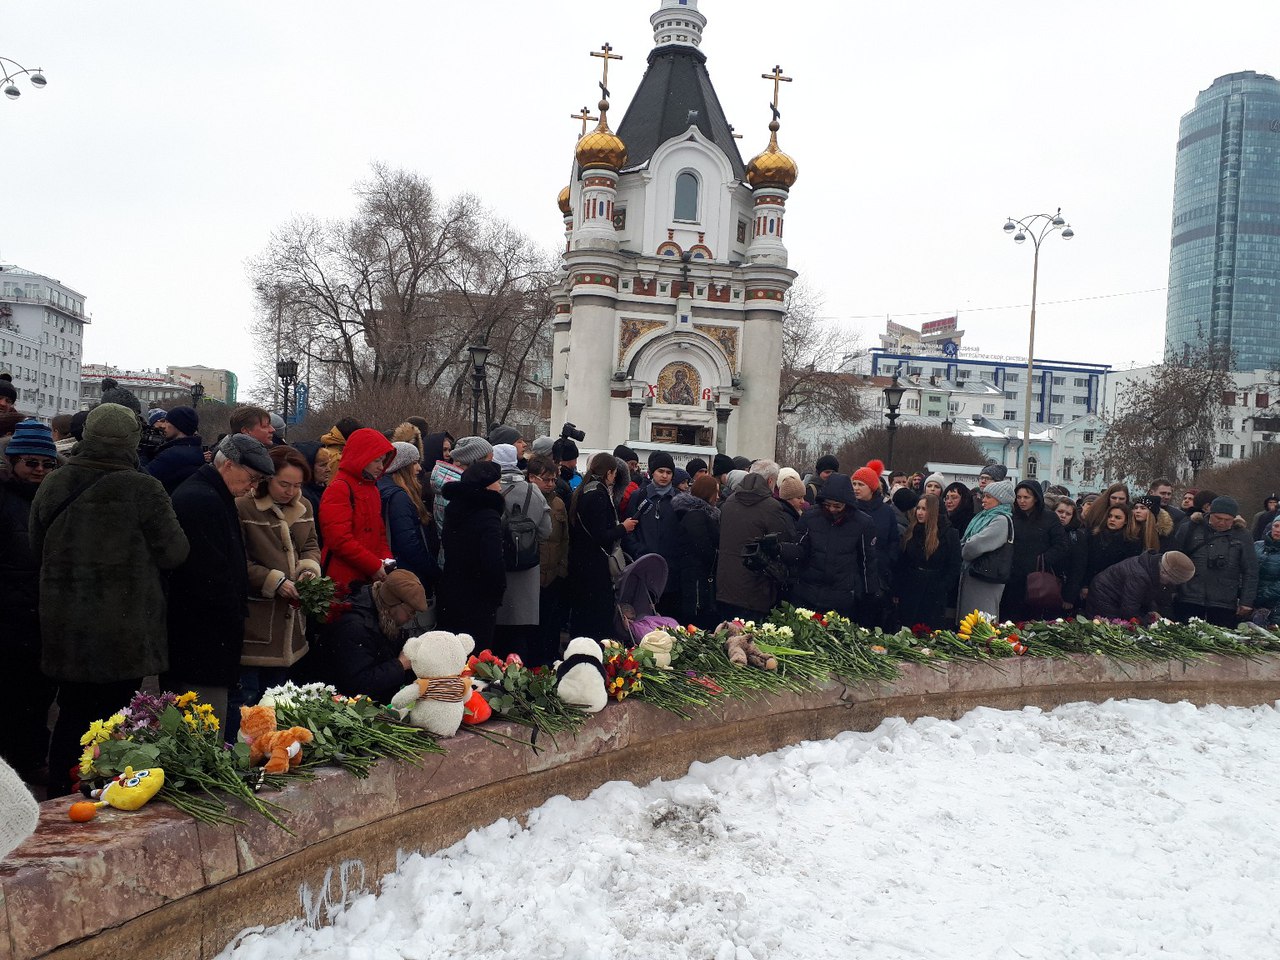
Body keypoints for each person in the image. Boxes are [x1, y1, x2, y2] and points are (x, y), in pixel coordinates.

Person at [31, 403, 189, 797]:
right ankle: (106, 794)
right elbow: (175, 552)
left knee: (71, 714)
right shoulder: (143, 488)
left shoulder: (55, 481)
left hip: (65, 623)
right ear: (132, 441)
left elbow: (36, 544)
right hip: (126, 628)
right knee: (116, 719)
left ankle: (60, 797)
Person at [166, 435, 276, 728]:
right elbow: (208, 577)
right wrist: (232, 614)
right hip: (201, 639)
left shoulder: (213, 494)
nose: (253, 487)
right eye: (252, 478)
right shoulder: (201, 500)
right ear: (228, 464)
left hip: (207, 636)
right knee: (201, 728)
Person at [235, 445, 320, 711]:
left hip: (293, 622)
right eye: (284, 484)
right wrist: (274, 581)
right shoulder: (243, 507)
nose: (291, 492)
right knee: (248, 700)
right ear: (267, 478)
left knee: (279, 701)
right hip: (257, 620)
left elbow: (311, 545)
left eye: (297, 485)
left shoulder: (304, 506)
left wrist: (309, 570)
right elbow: (237, 560)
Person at [0, 421, 59, 787]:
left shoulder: (52, 500)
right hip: (9, 612)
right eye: (30, 463)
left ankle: (31, 758)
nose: (38, 470)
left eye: (45, 464)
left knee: (38, 696)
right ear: (12, 462)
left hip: (43, 614)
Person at [314, 570, 428, 704]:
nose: (411, 618)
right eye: (410, 612)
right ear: (393, 603)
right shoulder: (354, 627)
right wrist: (400, 665)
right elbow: (357, 685)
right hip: (338, 703)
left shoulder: (383, 615)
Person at [437, 460, 508, 649]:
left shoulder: (454, 508)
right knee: (478, 654)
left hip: (452, 588)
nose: (500, 487)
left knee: (453, 651)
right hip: (479, 594)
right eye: (497, 482)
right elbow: (493, 559)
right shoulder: (488, 515)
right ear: (485, 485)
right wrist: (498, 589)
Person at [788, 473, 877, 619]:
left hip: (841, 595)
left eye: (837, 506)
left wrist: (869, 592)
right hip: (808, 591)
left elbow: (867, 560)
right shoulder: (810, 516)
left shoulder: (863, 523)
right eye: (828, 505)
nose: (832, 509)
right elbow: (800, 548)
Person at [716, 459, 795, 622]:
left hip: (725, 586)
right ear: (771, 481)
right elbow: (780, 543)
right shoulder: (772, 507)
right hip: (757, 589)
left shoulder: (728, 502)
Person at [568, 453, 638, 638]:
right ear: (609, 472)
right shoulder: (598, 495)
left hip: (582, 564)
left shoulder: (584, 490)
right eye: (614, 474)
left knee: (582, 615)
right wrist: (623, 528)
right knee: (596, 619)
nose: (614, 478)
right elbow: (600, 535)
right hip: (595, 566)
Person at [319, 427, 396, 594]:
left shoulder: (372, 489)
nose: (381, 466)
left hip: (368, 577)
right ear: (362, 457)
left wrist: (387, 562)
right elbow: (338, 539)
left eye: (383, 461)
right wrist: (374, 565)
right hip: (343, 581)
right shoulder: (339, 488)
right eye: (376, 460)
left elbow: (379, 533)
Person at [493, 444, 551, 661]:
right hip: (527, 569)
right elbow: (546, 530)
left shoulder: (492, 488)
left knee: (497, 637)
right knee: (521, 636)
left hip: (499, 566)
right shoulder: (532, 490)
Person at [1172, 495, 1258, 627]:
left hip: (1224, 601)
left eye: (1228, 520)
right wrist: (1172, 591)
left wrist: (1246, 601)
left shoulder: (1243, 535)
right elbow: (1174, 560)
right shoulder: (1190, 528)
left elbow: (1250, 570)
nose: (1222, 523)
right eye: (1218, 518)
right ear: (1209, 513)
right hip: (1189, 596)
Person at [1000, 481, 1069, 621]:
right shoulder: (1012, 517)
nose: (1022, 501)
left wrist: (1043, 559)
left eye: (1026, 497)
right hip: (1013, 578)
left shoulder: (1049, 517)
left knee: (1034, 618)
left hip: (1038, 576)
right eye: (1019, 497)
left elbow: (1061, 545)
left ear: (1036, 498)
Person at [626, 451, 683, 614]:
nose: (664, 476)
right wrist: (639, 550)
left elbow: (684, 533)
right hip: (644, 566)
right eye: (661, 471)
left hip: (671, 570)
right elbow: (629, 530)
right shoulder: (639, 496)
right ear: (652, 472)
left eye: (669, 472)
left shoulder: (680, 499)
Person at [895, 493, 961, 630]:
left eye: (924, 509)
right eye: (918, 508)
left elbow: (954, 565)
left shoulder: (949, 534)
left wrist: (942, 586)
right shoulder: (911, 531)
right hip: (911, 587)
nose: (919, 512)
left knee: (930, 630)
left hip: (934, 589)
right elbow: (902, 561)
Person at [377, 441, 438, 589]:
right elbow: (408, 543)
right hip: (408, 573)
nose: (419, 468)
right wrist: (432, 570)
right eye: (415, 463)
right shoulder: (399, 497)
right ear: (402, 466)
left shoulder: (385, 487)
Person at [528, 454, 569, 666]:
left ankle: (551, 661)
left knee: (551, 623)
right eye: (547, 479)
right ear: (532, 478)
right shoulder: (527, 500)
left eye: (553, 479)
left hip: (553, 574)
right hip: (532, 574)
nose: (551, 484)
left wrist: (562, 569)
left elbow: (564, 538)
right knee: (533, 626)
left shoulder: (558, 503)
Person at [850, 459, 899, 628]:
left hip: (878, 573)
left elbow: (893, 541)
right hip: (853, 572)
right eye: (854, 483)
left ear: (871, 487)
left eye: (860, 484)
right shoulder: (849, 509)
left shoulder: (887, 512)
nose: (856, 487)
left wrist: (886, 562)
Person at [957, 479, 1015, 621]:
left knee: (981, 619)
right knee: (971, 619)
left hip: (986, 579)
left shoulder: (1000, 520)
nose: (984, 500)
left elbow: (974, 546)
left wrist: (964, 547)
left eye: (988, 497)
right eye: (984, 496)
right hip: (976, 575)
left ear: (1000, 500)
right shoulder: (983, 517)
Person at [1085, 550, 1196, 621]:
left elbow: (1147, 595)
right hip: (1104, 597)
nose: (1169, 585)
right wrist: (1148, 619)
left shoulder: (1153, 569)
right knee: (1112, 632)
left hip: (1116, 598)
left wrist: (1153, 611)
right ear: (1164, 573)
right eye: (1171, 581)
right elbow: (1129, 610)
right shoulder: (1139, 576)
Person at [673, 474, 722, 628]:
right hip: (696, 577)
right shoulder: (696, 515)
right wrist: (718, 557)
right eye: (716, 492)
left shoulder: (699, 513)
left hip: (696, 574)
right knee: (698, 618)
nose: (718, 497)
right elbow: (703, 548)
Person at [430, 435, 492, 553]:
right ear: (475, 461)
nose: (492, 467)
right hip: (460, 559)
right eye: (489, 462)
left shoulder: (451, 483)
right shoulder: (458, 490)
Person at [1082, 503, 1142, 602]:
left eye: (1117, 517)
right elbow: (1085, 562)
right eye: (1110, 516)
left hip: (1114, 590)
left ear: (1126, 521)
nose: (1112, 519)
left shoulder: (1132, 542)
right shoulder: (1094, 535)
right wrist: (1084, 585)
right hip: (1090, 584)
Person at [143, 405, 204, 494]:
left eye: (167, 422)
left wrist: (143, 454)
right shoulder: (195, 449)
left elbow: (143, 478)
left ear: (178, 425)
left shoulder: (172, 454)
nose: (164, 426)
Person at [1054, 497, 1089, 612]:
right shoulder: (1044, 531)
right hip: (1042, 585)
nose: (1063, 516)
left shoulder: (1077, 536)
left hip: (1064, 588)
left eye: (1068, 514)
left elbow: (1078, 568)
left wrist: (1069, 596)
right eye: (1060, 512)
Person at [1254, 517, 1280, 625]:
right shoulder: (1256, 545)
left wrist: (1261, 596)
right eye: (1276, 526)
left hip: (1274, 605)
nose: (1278, 530)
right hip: (1248, 601)